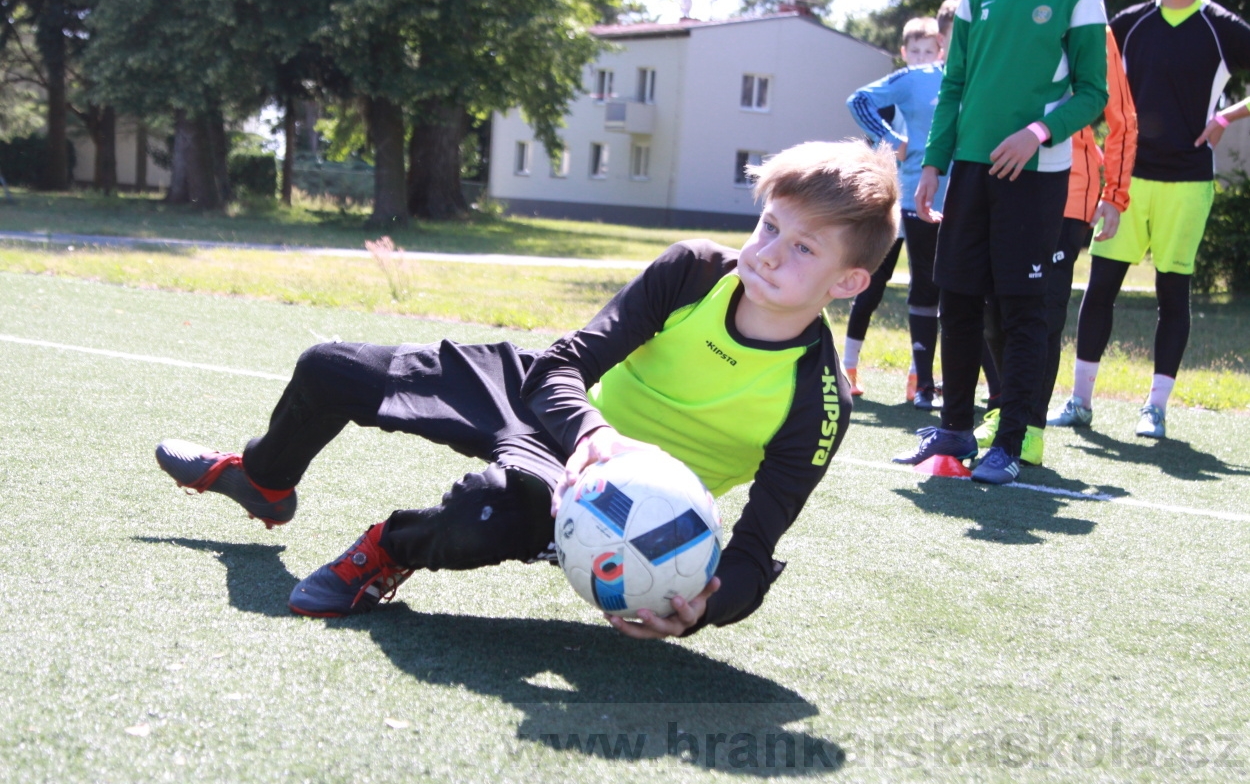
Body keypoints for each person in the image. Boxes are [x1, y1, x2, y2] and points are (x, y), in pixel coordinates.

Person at [154, 139, 899, 640]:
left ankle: (387, 548)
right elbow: (561, 366)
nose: (768, 254)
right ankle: (262, 477)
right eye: (769, 226)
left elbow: (754, 549)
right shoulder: (697, 271)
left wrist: (702, 609)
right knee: (328, 366)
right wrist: (592, 434)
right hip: (554, 408)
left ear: (850, 281)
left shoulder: (819, 399)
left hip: (607, 502)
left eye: (802, 247)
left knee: (484, 517)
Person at [894, 0, 1109, 484]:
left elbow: (1093, 94)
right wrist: (935, 163)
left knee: (1020, 306)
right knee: (959, 296)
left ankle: (1009, 441)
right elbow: (955, 84)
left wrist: (1037, 133)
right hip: (968, 167)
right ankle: (955, 430)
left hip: (1035, 174)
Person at [1052, 0, 1250, 439]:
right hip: (1127, 183)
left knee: (1172, 292)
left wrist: (1226, 116)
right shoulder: (1127, 23)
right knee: (1100, 288)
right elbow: (1089, 83)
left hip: (1188, 182)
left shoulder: (1220, 26)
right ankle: (1079, 402)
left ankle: (1155, 408)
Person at [974, 0, 1138, 466]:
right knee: (994, 310)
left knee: (1039, 313)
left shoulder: (1096, 28)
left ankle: (1031, 428)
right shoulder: (1000, 5)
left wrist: (1116, 194)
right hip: (1004, 183)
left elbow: (1121, 117)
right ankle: (1007, 410)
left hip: (1067, 195)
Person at [844, 17, 947, 409]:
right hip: (896, 200)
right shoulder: (904, 86)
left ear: (939, 52)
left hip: (929, 201)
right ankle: (847, 367)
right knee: (871, 283)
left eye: (928, 52)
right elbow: (861, 106)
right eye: (914, 52)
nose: (921, 59)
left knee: (927, 286)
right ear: (904, 54)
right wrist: (890, 141)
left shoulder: (941, 88)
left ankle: (918, 378)